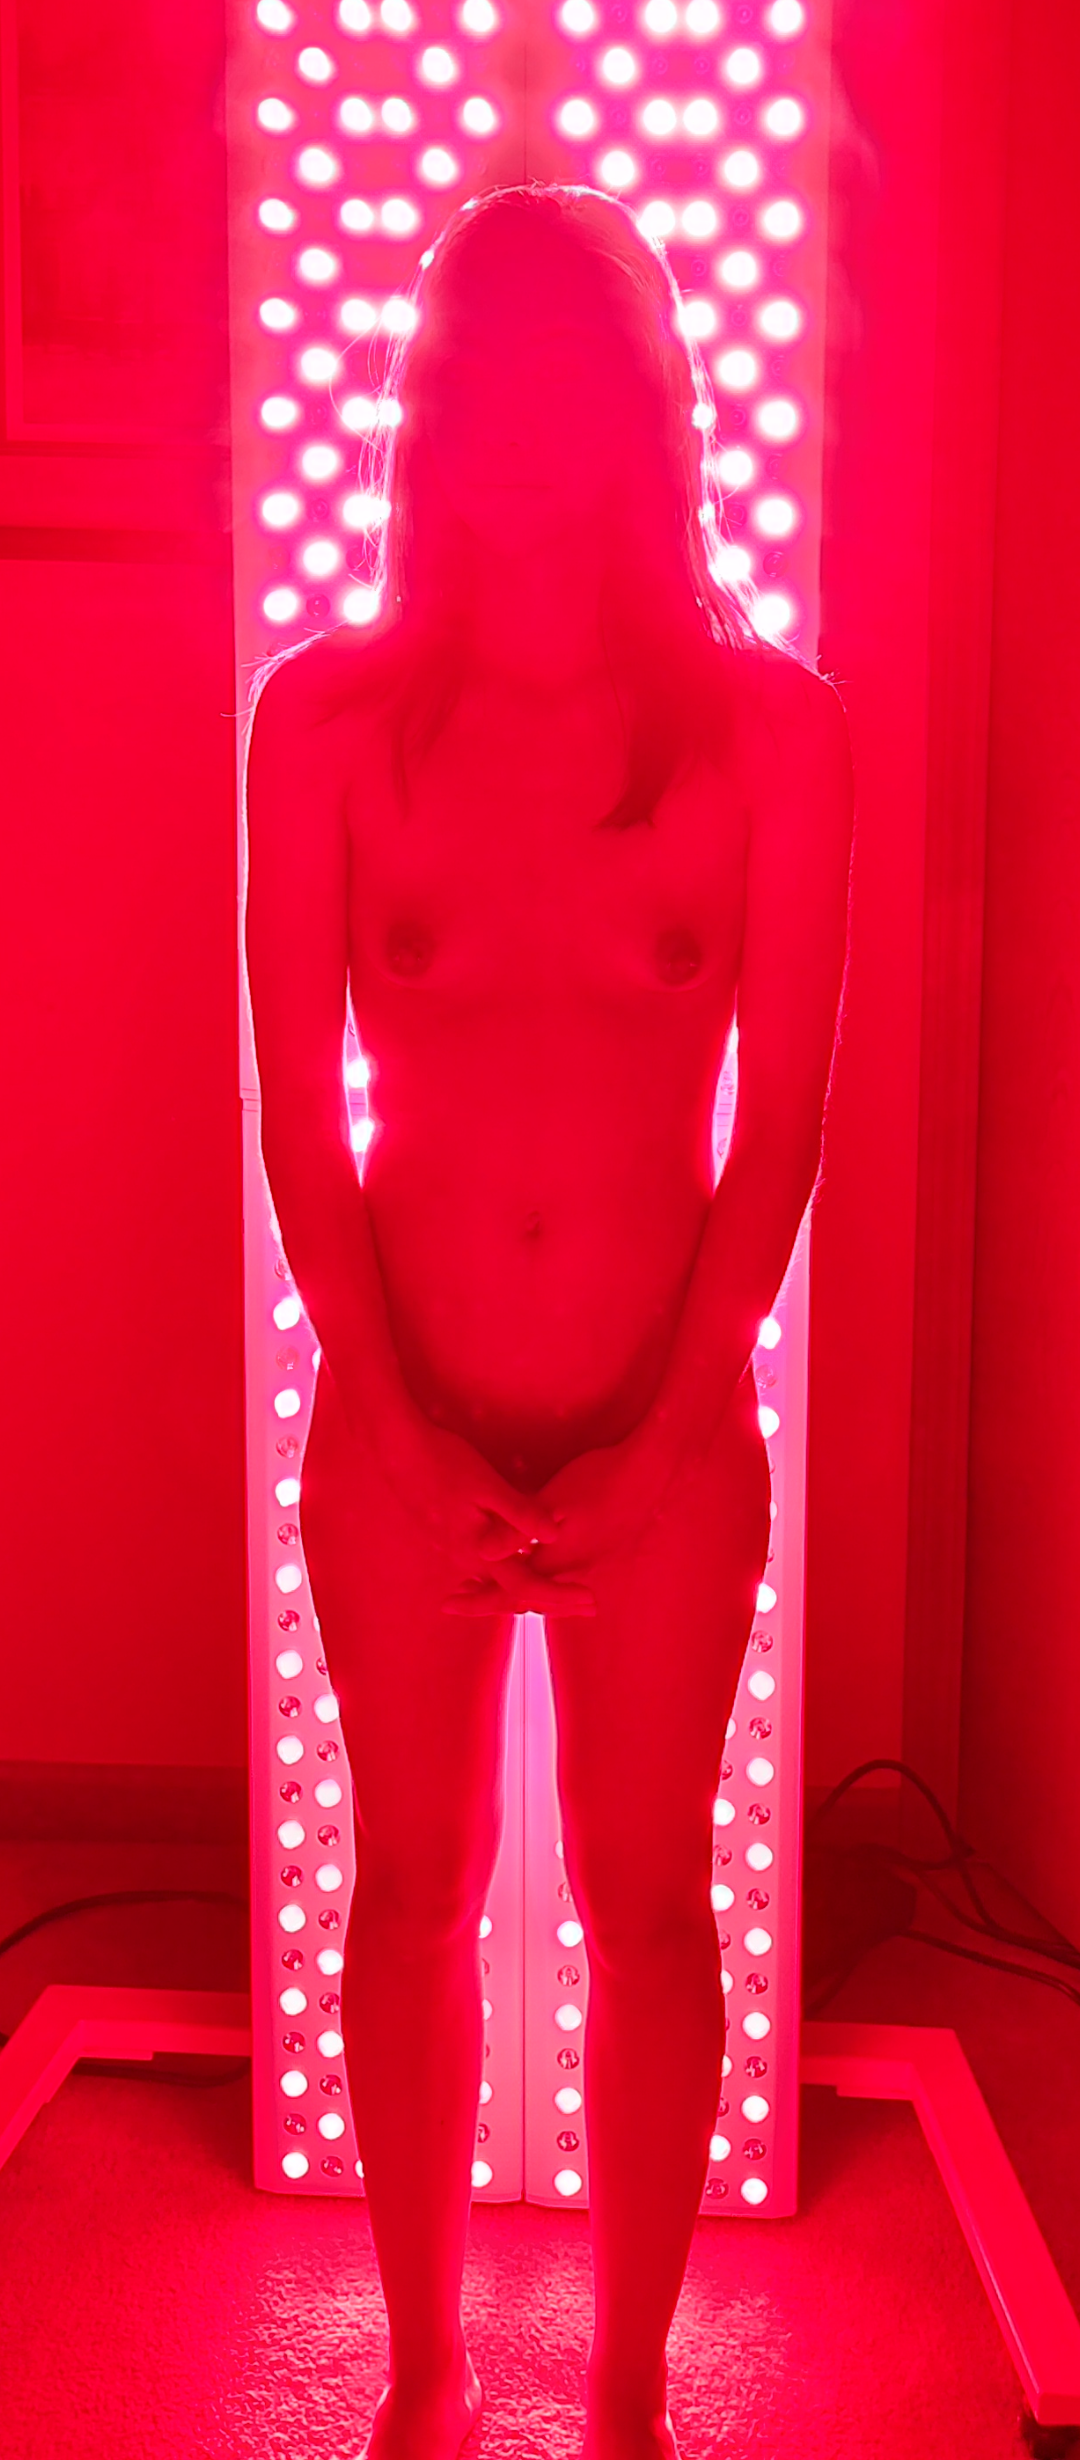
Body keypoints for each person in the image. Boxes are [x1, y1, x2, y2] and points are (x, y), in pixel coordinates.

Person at [243, 184, 854, 2460]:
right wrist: (394, 1426)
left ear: (642, 412)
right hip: (396, 1411)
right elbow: (299, 1118)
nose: (510, 425)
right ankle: (419, 2382)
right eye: (470, 375)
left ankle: (625, 2396)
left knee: (650, 1895)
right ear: (418, 410)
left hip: (665, 1418)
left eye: (557, 378)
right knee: (406, 1888)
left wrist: (677, 1423)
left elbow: (779, 1131)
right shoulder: (320, 722)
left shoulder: (775, 736)